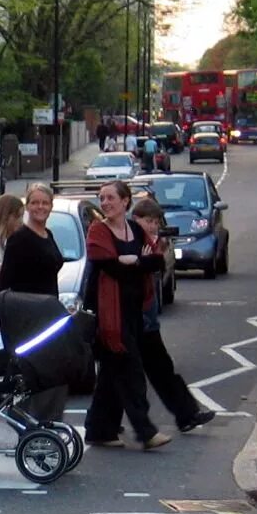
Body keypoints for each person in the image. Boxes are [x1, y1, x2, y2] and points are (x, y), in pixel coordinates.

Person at [84, 180, 168, 450]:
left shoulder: (134, 229)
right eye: (102, 198)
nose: (105, 203)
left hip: (133, 314)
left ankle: (99, 429)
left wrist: (134, 261)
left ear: (125, 202)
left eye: (110, 198)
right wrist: (135, 262)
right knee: (131, 372)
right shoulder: (98, 231)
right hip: (108, 318)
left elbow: (157, 260)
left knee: (111, 374)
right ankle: (145, 431)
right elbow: (109, 267)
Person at [131, 198, 215, 432]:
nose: (153, 226)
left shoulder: (150, 241)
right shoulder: (134, 240)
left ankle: (186, 414)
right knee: (124, 375)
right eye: (149, 221)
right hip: (134, 319)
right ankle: (103, 426)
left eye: (156, 222)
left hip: (146, 318)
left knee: (159, 369)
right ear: (135, 218)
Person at [0, 182, 68, 423]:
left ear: (51, 206)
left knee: (55, 370)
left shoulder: (49, 235)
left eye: (44, 203)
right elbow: (5, 280)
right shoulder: (20, 238)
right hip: (29, 316)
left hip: (49, 313)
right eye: (35, 202)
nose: (40, 207)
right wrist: (1, 316)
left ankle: (46, 420)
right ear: (27, 206)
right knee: (41, 371)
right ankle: (29, 419)